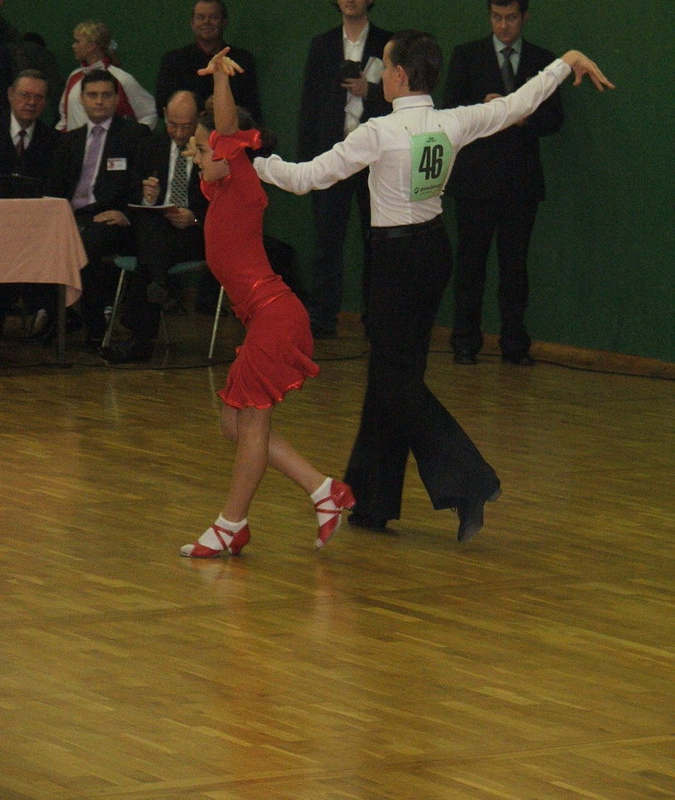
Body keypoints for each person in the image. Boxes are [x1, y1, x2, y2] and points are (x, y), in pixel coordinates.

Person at [254, 31, 614, 541]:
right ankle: (372, 502)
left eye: (386, 67)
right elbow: (516, 105)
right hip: (432, 252)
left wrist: (249, 164)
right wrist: (564, 63)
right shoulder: (453, 121)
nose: (381, 74)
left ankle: (470, 481)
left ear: (400, 75)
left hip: (396, 261)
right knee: (390, 375)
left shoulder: (379, 131)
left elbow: (306, 177)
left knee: (396, 381)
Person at [179, 48, 355, 558]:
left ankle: (229, 525)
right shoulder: (217, 190)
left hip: (276, 316)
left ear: (227, 150)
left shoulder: (239, 178)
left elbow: (226, 127)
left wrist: (219, 79)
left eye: (202, 149)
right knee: (233, 423)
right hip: (265, 318)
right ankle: (324, 491)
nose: (196, 156)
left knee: (251, 422)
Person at [444, 0, 565, 366]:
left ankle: (514, 345)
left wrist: (526, 117)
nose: (503, 25)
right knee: (470, 265)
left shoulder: (543, 61)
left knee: (515, 268)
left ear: (525, 17)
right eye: (496, 17)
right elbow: (449, 110)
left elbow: (555, 119)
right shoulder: (467, 56)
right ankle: (465, 342)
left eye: (511, 17)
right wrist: (483, 108)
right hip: (475, 181)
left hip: (520, 182)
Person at [298, 0, 392, 338]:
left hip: (374, 158)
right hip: (332, 155)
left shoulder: (387, 44)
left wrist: (370, 92)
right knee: (326, 242)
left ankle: (376, 319)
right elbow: (309, 104)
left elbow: (400, 98)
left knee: (377, 242)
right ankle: (322, 317)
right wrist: (308, 161)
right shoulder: (322, 45)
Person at [100, 90, 207, 363]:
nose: (179, 133)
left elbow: (221, 204)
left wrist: (194, 217)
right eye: (173, 124)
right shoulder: (149, 147)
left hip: (194, 232)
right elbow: (130, 193)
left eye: (187, 126)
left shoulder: (210, 151)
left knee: (147, 255)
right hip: (156, 230)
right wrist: (147, 197)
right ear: (164, 116)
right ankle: (159, 285)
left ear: (199, 119)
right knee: (150, 226)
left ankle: (141, 337)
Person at [47, 69, 149, 349]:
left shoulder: (134, 135)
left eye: (106, 95)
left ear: (116, 99)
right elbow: (55, 189)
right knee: (41, 240)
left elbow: (143, 184)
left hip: (112, 219)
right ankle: (55, 316)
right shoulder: (69, 141)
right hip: (70, 217)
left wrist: (126, 213)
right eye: (93, 95)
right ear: (82, 99)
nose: (99, 101)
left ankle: (94, 326)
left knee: (88, 242)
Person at [0, 69, 59, 337]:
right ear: (10, 95)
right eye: (25, 95)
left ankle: (49, 311)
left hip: (36, 231)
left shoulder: (55, 141)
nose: (31, 102)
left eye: (39, 97)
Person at [155, 0, 261, 123]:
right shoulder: (173, 60)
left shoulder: (242, 60)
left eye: (214, 17)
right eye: (200, 17)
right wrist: (201, 106)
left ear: (224, 22)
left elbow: (253, 109)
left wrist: (225, 105)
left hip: (231, 130)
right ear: (192, 23)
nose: (207, 22)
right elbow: (162, 107)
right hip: (188, 132)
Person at [56, 20, 157, 132]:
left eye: (77, 41)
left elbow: (150, 113)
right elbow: (64, 119)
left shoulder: (121, 79)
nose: (73, 46)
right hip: (74, 143)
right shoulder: (74, 77)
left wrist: (134, 137)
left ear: (92, 45)